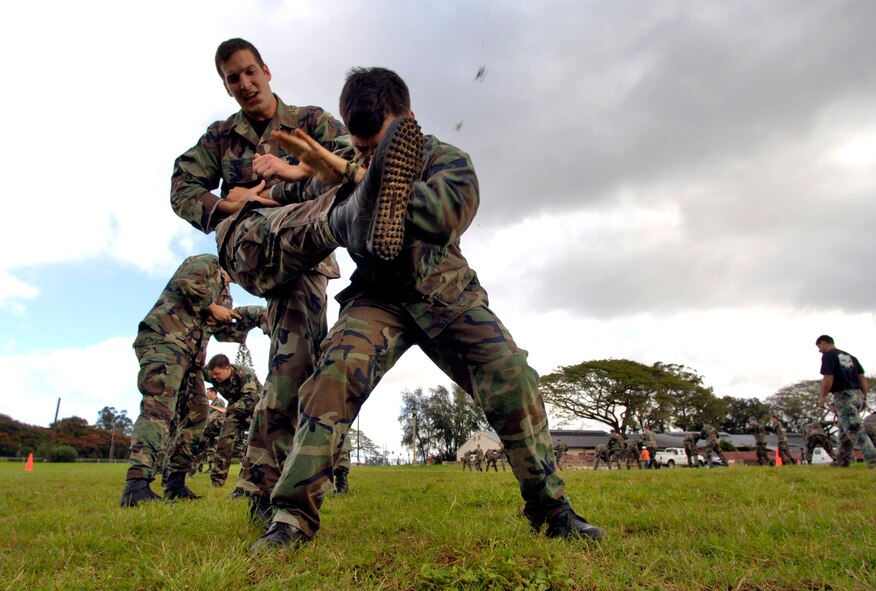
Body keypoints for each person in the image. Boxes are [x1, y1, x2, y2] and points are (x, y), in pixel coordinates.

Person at [231, 67, 605, 550]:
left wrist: (363, 184)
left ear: (408, 119)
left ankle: (552, 509)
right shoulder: (345, 160)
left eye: (379, 146)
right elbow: (312, 206)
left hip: (447, 294)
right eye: (361, 148)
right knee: (329, 379)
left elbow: (447, 212)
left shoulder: (449, 160)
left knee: (513, 376)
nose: (366, 155)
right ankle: (290, 521)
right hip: (377, 299)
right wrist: (274, 186)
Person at [170, 38, 351, 521]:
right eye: (234, 78)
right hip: (252, 241)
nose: (246, 84)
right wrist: (231, 201)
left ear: (267, 71)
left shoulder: (310, 122)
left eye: (251, 72)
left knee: (298, 363)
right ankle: (261, 484)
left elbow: (349, 164)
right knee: (292, 361)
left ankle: (261, 481)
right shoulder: (221, 138)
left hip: (306, 255)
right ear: (226, 87)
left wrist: (290, 172)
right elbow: (182, 185)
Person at [120, 254, 240, 506]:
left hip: (191, 356)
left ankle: (175, 482)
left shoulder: (226, 294)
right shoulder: (208, 263)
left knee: (197, 415)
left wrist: (255, 319)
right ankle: (136, 484)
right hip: (165, 340)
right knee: (159, 408)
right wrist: (211, 306)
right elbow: (186, 283)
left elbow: (220, 328)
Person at [815, 335, 876, 467]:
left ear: (824, 343)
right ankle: (841, 461)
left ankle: (873, 460)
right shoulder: (850, 357)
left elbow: (828, 377)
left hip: (844, 396)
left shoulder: (829, 355)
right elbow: (862, 378)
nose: (819, 350)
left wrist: (823, 396)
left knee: (855, 430)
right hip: (857, 394)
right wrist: (864, 397)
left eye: (819, 346)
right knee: (844, 430)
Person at [203, 354, 262, 489]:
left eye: (217, 374)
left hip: (257, 410)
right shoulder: (213, 374)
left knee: (255, 446)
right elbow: (200, 368)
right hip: (235, 411)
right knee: (224, 442)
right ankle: (217, 482)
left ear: (227, 369)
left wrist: (227, 410)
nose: (215, 378)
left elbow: (249, 400)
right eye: (213, 375)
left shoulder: (245, 375)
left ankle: (249, 482)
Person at [192, 388, 226, 474]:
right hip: (211, 428)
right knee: (209, 448)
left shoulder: (219, 402)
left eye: (208, 393)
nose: (207, 394)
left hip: (214, 428)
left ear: (213, 393)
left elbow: (217, 414)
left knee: (208, 447)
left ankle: (208, 468)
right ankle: (205, 467)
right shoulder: (213, 403)